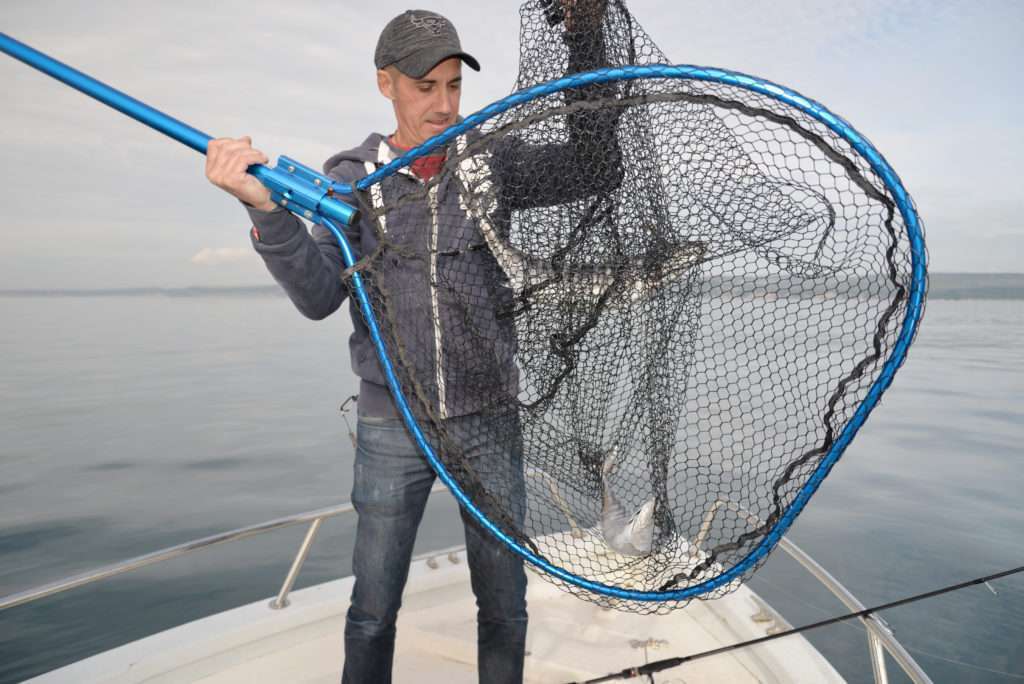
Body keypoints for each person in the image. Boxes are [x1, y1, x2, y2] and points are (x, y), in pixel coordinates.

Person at [205, 6, 615, 682]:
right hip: (389, 423)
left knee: (505, 606)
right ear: (385, 84)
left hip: (488, 418)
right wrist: (263, 209)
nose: (443, 103)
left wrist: (584, 37)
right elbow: (317, 297)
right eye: (425, 87)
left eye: (454, 86)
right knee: (372, 608)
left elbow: (598, 166)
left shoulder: (493, 166)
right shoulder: (348, 182)